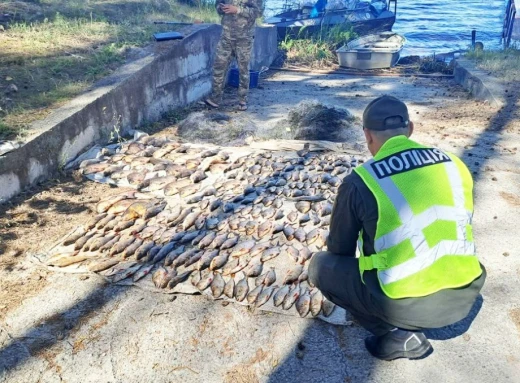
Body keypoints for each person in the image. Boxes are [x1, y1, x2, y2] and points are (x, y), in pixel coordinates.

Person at [308, 95, 486, 361]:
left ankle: (398, 334)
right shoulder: (454, 164)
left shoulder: (361, 181)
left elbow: (338, 250)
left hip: (407, 303)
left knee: (321, 266)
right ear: (410, 129)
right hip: (467, 292)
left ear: (367, 136)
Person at [205, 0, 263, 111]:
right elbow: (218, 4)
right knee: (219, 67)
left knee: (243, 69)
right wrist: (220, 8)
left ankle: (242, 100)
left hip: (244, 38)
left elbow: (258, 12)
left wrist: (237, 10)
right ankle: (215, 99)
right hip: (226, 36)